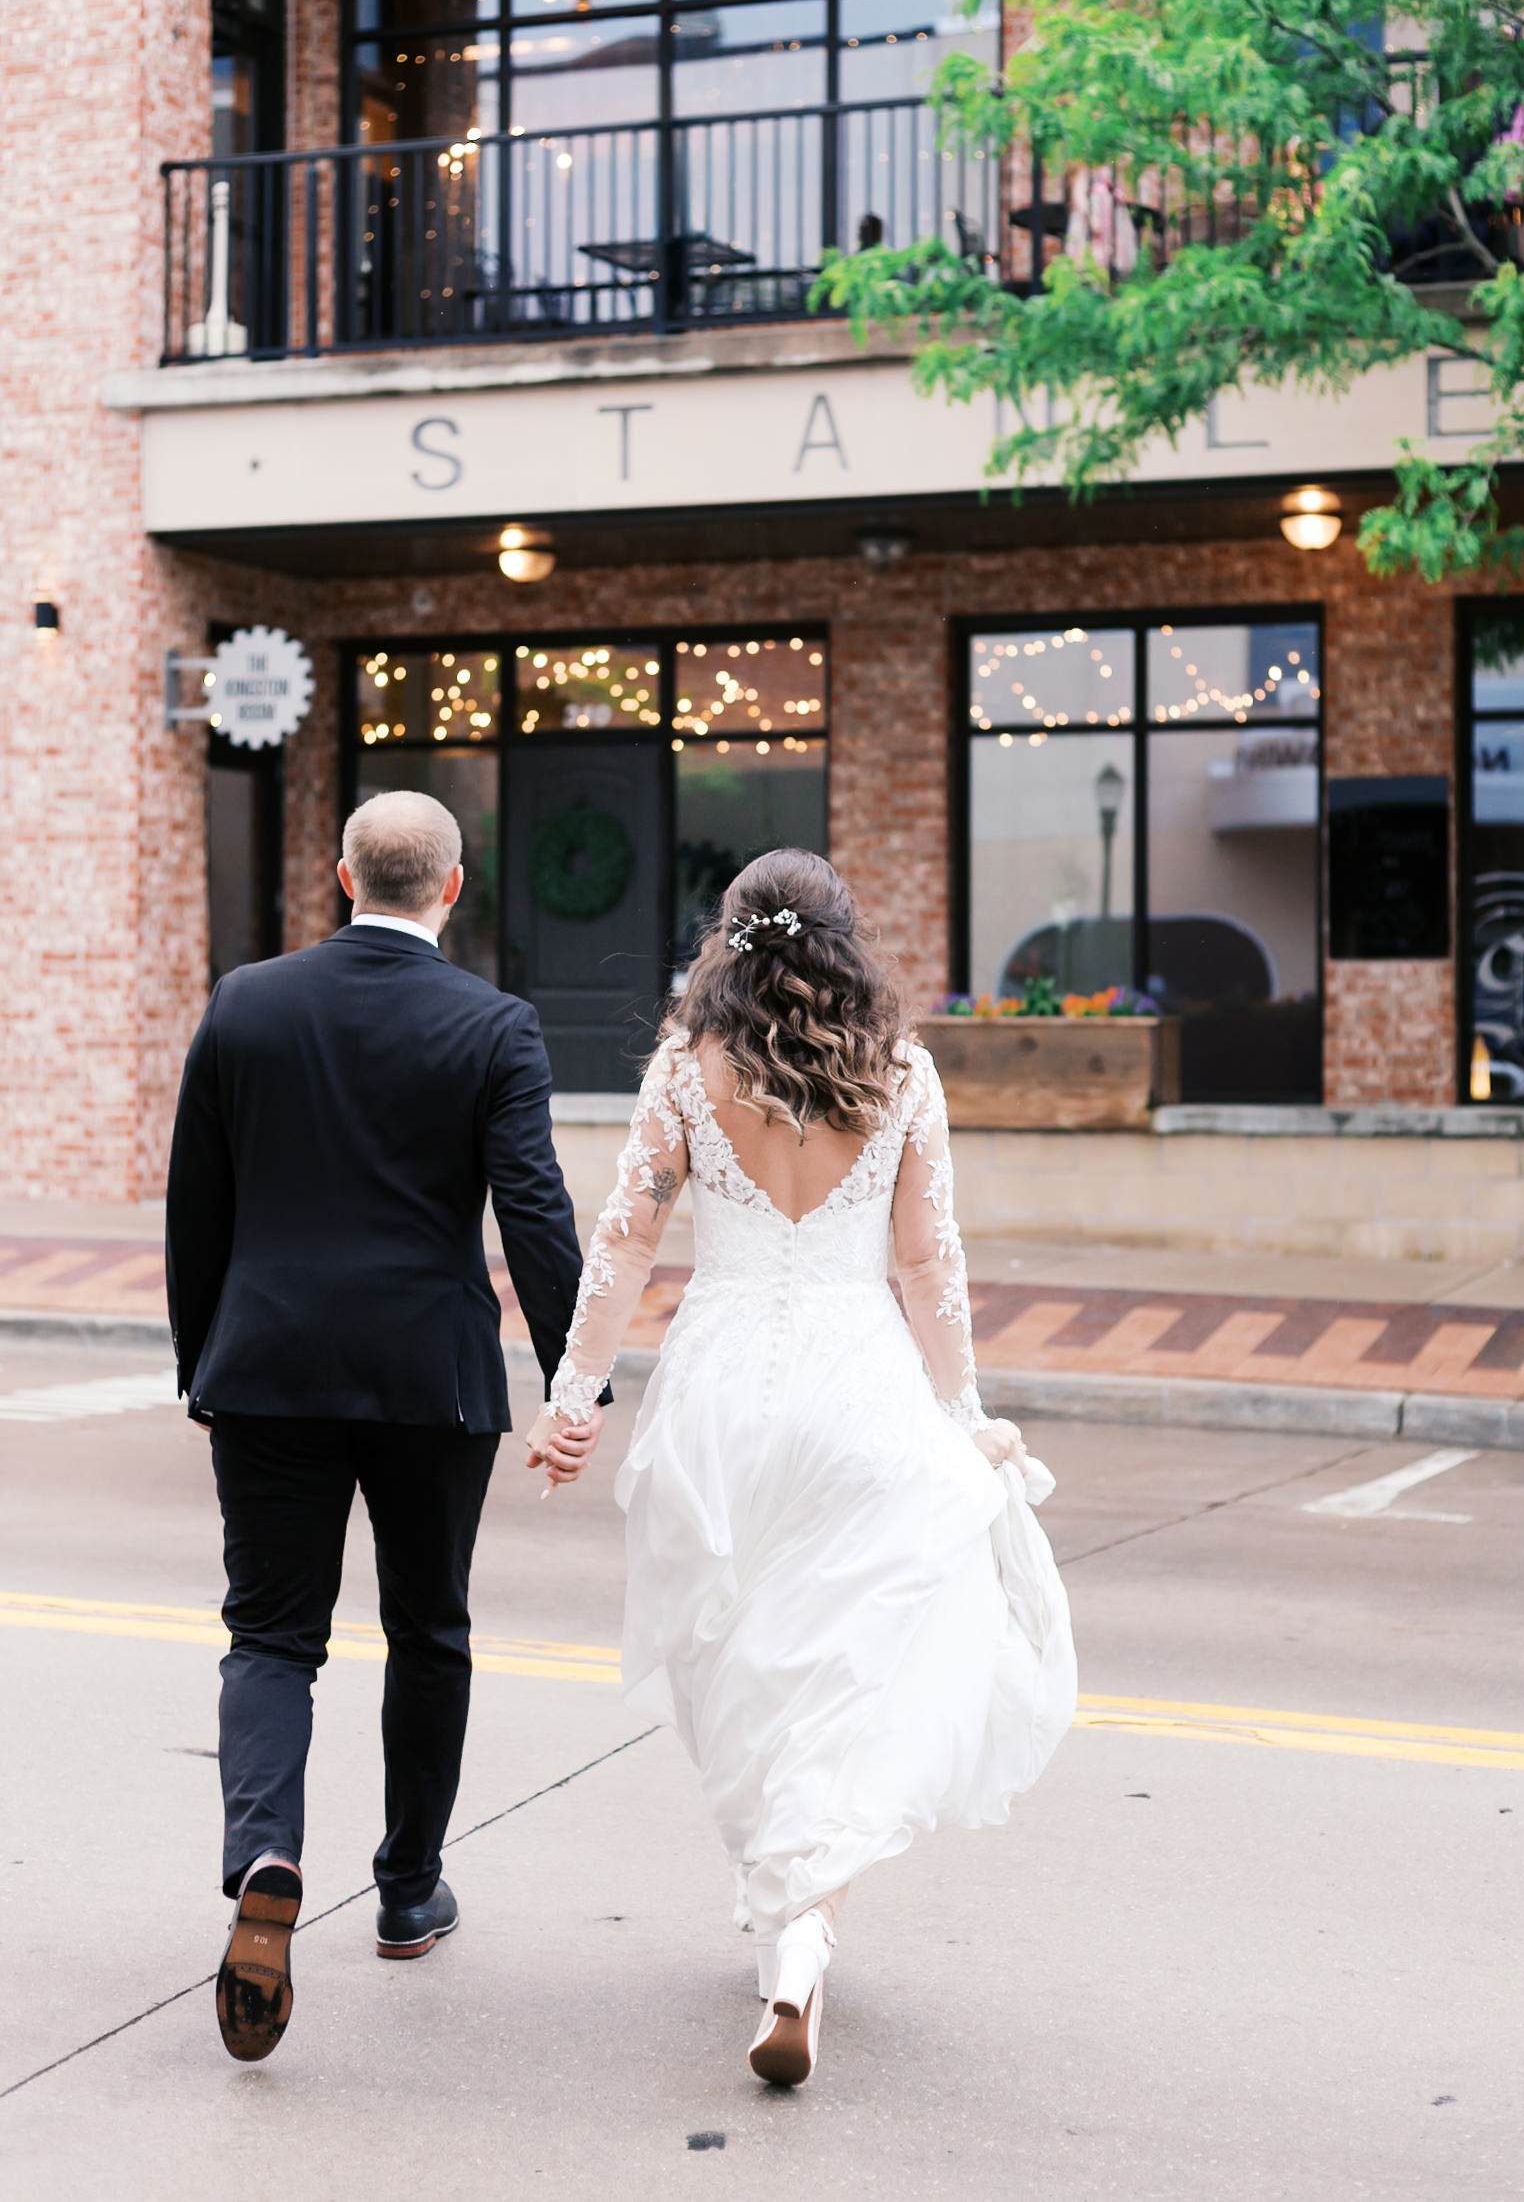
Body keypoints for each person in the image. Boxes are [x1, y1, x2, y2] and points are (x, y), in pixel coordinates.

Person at [528, 850, 1075, 2087]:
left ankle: (784, 1920)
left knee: (742, 1667)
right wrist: (963, 1413)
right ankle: (798, 1940)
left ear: (728, 939)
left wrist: (573, 1396)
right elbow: (927, 1268)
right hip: (857, 1386)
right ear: (844, 943)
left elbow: (621, 1241)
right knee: (835, 1662)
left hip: (720, 1390)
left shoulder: (684, 1067)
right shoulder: (897, 1069)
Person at [166, 790, 590, 2064]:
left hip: (269, 1369)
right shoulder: (494, 1025)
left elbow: (199, 1206)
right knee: (429, 1628)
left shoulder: (245, 1002)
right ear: (450, 889)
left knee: (271, 1635)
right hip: (429, 1379)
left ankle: (265, 1857)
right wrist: (576, 1378)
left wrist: (207, 1363)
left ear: (340, 873)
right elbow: (534, 1211)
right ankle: (408, 1890)